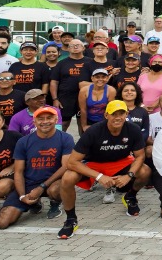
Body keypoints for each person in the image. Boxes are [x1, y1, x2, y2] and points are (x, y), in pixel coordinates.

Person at [57, 100, 149, 238]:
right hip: (94, 164)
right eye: (113, 114)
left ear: (127, 114)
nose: (118, 117)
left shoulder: (133, 129)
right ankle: (71, 219)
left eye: (121, 113)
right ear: (106, 115)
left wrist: (129, 175)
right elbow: (72, 162)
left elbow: (140, 156)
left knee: (145, 171)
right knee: (68, 178)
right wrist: (99, 177)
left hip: (120, 162)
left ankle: (130, 196)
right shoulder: (93, 131)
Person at [0, 105, 74, 227]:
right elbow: (18, 171)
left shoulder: (66, 138)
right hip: (30, 182)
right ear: (34, 121)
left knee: (58, 187)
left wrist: (41, 187)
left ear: (56, 120)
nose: (45, 122)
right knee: (2, 223)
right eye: (40, 119)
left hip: (53, 182)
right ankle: (34, 203)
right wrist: (22, 195)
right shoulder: (23, 141)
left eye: (49, 118)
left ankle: (55, 203)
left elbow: (65, 166)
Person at [50, 39, 90, 134]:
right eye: (72, 46)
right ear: (67, 49)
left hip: (86, 98)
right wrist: (55, 99)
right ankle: (58, 144)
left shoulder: (90, 62)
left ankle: (83, 147)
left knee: (83, 126)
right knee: (63, 124)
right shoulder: (61, 63)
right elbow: (54, 82)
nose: (75, 47)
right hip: (66, 98)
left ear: (83, 48)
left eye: (78, 45)